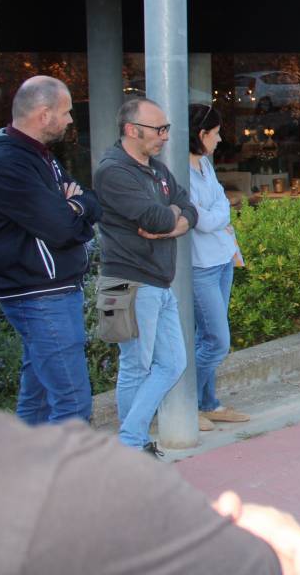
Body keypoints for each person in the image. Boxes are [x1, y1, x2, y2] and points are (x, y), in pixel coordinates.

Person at [0, 410, 300, 575]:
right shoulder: (62, 483)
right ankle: (132, 439)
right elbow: (272, 563)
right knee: (164, 363)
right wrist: (213, 524)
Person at [0, 75, 102, 424]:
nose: (71, 120)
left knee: (39, 399)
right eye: (66, 112)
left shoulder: (39, 155)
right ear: (44, 114)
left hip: (51, 291)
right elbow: (61, 228)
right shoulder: (6, 161)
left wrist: (74, 206)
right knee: (73, 404)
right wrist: (73, 208)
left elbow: (90, 199)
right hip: (38, 294)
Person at [94, 98, 198, 454]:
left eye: (166, 128)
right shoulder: (113, 171)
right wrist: (172, 218)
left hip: (158, 282)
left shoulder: (157, 169)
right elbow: (157, 218)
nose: (165, 136)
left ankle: (131, 440)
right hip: (129, 282)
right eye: (159, 129)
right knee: (136, 366)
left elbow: (188, 209)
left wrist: (174, 222)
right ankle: (131, 445)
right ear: (131, 130)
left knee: (173, 364)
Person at [188, 104, 250, 427]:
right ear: (201, 134)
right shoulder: (179, 170)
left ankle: (208, 403)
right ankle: (183, 406)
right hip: (201, 266)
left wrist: (217, 213)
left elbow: (223, 203)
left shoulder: (205, 165)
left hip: (223, 258)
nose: (220, 139)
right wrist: (217, 214)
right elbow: (201, 219)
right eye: (215, 133)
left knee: (207, 338)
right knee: (216, 341)